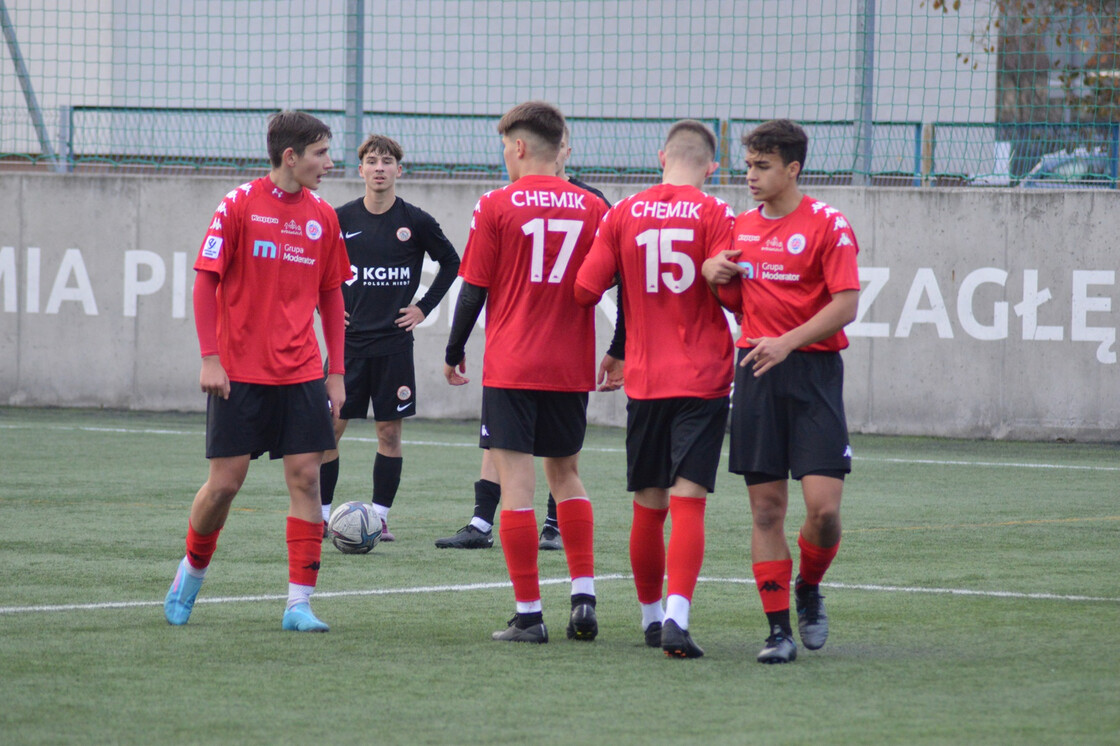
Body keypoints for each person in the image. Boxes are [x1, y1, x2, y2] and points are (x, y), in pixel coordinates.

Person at [163, 110, 352, 632]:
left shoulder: (323, 216)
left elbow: (332, 295)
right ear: (290, 156)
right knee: (225, 484)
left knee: (307, 478)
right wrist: (210, 357)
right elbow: (206, 281)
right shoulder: (239, 205)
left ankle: (299, 604)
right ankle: (191, 572)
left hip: (301, 373)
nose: (329, 163)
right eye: (320, 153)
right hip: (239, 373)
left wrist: (335, 372)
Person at [443, 101, 608, 643]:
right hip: (569, 364)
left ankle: (530, 615)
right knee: (567, 476)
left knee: (516, 481)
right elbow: (618, 284)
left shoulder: (495, 204)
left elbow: (474, 289)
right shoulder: (593, 207)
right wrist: (624, 348)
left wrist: (454, 348)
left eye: (504, 149)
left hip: (513, 364)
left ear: (518, 146)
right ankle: (584, 600)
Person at [574, 119, 736, 658]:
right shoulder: (717, 214)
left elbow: (584, 288)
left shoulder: (623, 213)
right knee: (689, 502)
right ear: (714, 166)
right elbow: (736, 298)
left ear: (660, 156)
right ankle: (676, 617)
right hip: (703, 377)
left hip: (645, 380)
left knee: (649, 504)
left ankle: (648, 618)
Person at [701, 118, 860, 664]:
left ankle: (809, 588)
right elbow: (735, 301)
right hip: (757, 375)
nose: (750, 175)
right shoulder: (740, 226)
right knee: (766, 511)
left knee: (824, 510)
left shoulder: (828, 225)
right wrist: (712, 272)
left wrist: (787, 342)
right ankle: (777, 632)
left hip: (812, 374)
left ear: (793, 168)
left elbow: (845, 304)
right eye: (747, 164)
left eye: (762, 166)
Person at [319, 134, 460, 542]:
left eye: (387, 161)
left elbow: (452, 263)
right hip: (347, 348)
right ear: (360, 169)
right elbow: (312, 267)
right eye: (372, 161)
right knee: (330, 429)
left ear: (400, 170)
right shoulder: (338, 219)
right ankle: (322, 516)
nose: (379, 167)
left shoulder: (415, 221)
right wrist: (323, 307)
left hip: (394, 347)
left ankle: (379, 518)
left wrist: (423, 307)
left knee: (389, 434)